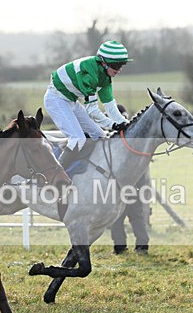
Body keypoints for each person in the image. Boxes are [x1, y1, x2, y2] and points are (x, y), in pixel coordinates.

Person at [43, 40, 131, 167]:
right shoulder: (88, 72)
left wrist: (125, 123)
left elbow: (110, 107)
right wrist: (113, 125)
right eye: (116, 66)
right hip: (56, 100)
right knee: (78, 139)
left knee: (100, 136)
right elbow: (93, 111)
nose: (119, 70)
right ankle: (55, 176)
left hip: (71, 101)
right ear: (103, 62)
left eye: (121, 65)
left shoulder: (105, 76)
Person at [110, 104, 151, 255]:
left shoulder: (118, 138)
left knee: (124, 216)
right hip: (130, 184)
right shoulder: (133, 137)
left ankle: (123, 246)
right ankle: (138, 245)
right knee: (131, 216)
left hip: (124, 184)